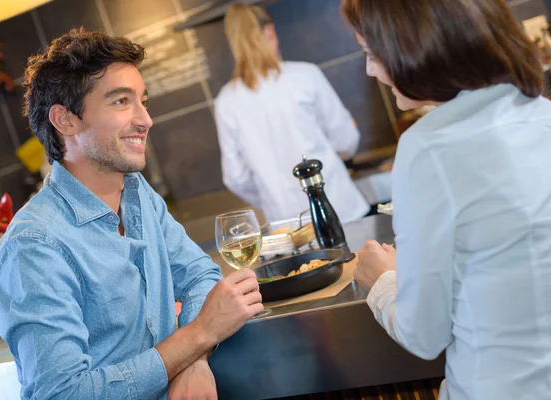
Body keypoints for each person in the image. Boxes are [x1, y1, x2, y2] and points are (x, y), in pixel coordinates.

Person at [0, 28, 263, 400]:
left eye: (142, 100)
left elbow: (199, 275)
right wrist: (200, 335)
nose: (145, 119)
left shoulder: (137, 192)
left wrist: (192, 360)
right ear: (65, 120)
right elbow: (63, 394)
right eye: (120, 101)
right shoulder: (33, 247)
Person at [343, 0, 551, 399]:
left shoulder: (428, 146)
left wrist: (380, 279)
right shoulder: (538, 110)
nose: (370, 70)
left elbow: (424, 335)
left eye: (371, 54)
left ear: (413, 47)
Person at [214, 3, 370, 224]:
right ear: (269, 31)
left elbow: (235, 178)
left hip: (287, 226)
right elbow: (346, 141)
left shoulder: (226, 101)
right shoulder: (306, 76)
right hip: (339, 209)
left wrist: (272, 198)